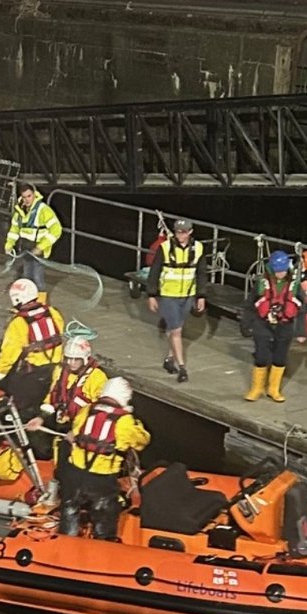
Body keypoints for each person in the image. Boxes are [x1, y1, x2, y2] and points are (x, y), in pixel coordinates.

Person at [60, 377, 151, 541]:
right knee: (104, 510)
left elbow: (75, 430)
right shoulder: (124, 421)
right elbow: (141, 441)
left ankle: (67, 538)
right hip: (101, 475)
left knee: (70, 506)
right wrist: (136, 423)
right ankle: (104, 542)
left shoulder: (87, 410)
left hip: (75, 470)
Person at [25, 336, 109, 475]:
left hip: (82, 430)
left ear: (85, 359)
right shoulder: (59, 371)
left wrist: (76, 432)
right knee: (48, 450)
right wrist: (41, 418)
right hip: (61, 423)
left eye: (76, 359)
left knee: (73, 466)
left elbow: (99, 413)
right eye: (68, 358)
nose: (71, 363)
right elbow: (52, 397)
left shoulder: (97, 378)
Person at [0, 279, 66, 418]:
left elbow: (8, 356)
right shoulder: (53, 312)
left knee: (18, 404)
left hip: (32, 375)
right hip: (55, 371)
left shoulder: (18, 323)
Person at [145, 218, 208, 383]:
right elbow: (155, 272)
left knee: (174, 329)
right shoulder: (165, 248)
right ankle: (182, 368)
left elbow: (201, 273)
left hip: (187, 295)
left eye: (184, 232)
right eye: (178, 232)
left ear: (190, 232)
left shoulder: (198, 248)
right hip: (168, 296)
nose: (181, 235)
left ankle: (169, 359)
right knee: (177, 331)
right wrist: (151, 295)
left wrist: (201, 295)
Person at [244, 250, 305, 403]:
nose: (280, 274)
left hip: (285, 325)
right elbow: (250, 304)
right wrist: (246, 324)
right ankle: (257, 388)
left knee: (280, 357)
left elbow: (302, 308)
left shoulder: (294, 286)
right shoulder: (261, 283)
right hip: (263, 323)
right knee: (261, 355)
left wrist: (300, 331)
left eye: (283, 270)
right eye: (277, 271)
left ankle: (273, 389)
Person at [3, 183, 62, 291]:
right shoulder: (20, 211)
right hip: (26, 249)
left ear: (34, 195)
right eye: (24, 197)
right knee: (27, 278)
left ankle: (40, 303)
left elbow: (56, 230)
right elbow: (14, 230)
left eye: (29, 196)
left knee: (37, 279)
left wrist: (41, 247)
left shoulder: (44, 210)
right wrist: (9, 244)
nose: (27, 200)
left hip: (38, 250)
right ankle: (30, 303)